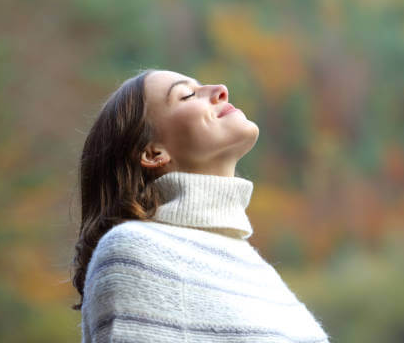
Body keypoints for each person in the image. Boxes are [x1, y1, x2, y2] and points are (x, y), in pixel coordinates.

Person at [71, 69, 330, 343]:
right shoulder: (134, 249)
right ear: (153, 153)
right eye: (188, 95)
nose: (220, 89)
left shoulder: (259, 272)